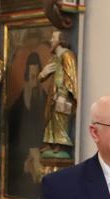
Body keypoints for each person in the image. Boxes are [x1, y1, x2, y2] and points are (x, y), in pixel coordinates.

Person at [7, 51, 47, 199]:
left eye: (36, 75)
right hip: (23, 146)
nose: (34, 79)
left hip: (40, 145)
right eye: (31, 76)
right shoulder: (21, 99)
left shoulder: (44, 96)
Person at [39, 30, 78, 158]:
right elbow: (42, 77)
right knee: (50, 118)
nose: (51, 40)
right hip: (53, 93)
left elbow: (70, 76)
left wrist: (63, 93)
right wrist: (43, 73)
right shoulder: (55, 57)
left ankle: (60, 144)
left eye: (53, 38)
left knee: (60, 118)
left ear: (61, 40)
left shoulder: (67, 55)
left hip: (63, 94)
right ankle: (50, 142)